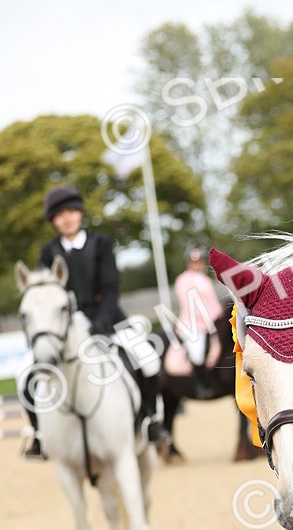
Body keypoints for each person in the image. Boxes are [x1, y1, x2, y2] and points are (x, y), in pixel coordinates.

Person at [24, 185, 169, 457]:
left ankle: (150, 419)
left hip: (107, 319)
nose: (66, 218)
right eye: (59, 215)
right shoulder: (48, 252)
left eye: (71, 212)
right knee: (31, 376)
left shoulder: (101, 244)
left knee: (148, 358)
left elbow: (111, 288)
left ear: (80, 213)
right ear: (53, 221)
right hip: (66, 326)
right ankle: (38, 435)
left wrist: (100, 322)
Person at [172, 246, 225, 399]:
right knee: (197, 352)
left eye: (199, 261)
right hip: (192, 325)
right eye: (193, 261)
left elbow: (213, 301)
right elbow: (189, 304)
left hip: (212, 322)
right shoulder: (182, 280)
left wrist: (218, 314)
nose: (196, 264)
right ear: (188, 262)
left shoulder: (205, 280)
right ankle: (201, 385)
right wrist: (209, 317)